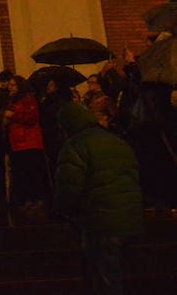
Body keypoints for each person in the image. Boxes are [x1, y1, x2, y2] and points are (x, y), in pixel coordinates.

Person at [55, 102, 143, 294]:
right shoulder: (117, 141)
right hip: (129, 218)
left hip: (100, 222)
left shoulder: (75, 146)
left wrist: (64, 212)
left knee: (104, 280)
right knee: (118, 275)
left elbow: (69, 188)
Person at [4, 75, 47, 209]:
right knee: (21, 173)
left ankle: (35, 199)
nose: (10, 87)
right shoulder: (12, 101)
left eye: (13, 85)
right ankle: (25, 199)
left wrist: (13, 116)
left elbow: (32, 117)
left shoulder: (28, 99)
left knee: (31, 172)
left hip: (28, 141)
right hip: (17, 142)